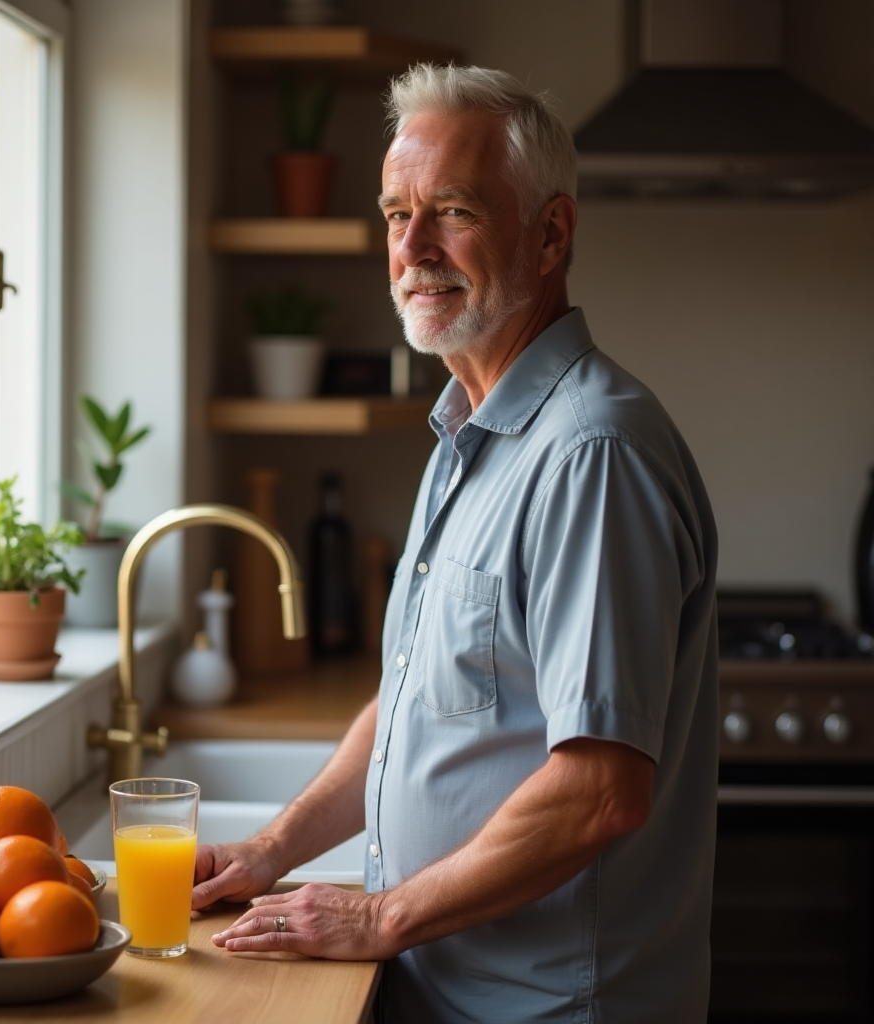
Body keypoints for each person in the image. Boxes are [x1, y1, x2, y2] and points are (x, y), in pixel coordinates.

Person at [194, 63, 719, 1024]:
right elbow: (411, 705)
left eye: (453, 212)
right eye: (397, 215)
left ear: (551, 234)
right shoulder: (465, 434)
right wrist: (270, 851)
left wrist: (380, 915)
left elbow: (601, 790)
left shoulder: (592, 453)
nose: (412, 249)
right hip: (450, 992)